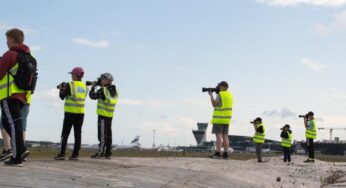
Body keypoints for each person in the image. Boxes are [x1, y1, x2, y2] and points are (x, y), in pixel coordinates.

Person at [0, 28, 31, 167]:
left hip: (9, 95)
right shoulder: (29, 56)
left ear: (12, 39)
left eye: (7, 39)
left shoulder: (10, 54)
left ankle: (17, 157)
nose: (6, 41)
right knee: (9, 122)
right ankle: (21, 148)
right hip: (23, 96)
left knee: (11, 123)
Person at [54, 67, 87, 160]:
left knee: (65, 133)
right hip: (80, 113)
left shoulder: (70, 85)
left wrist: (61, 88)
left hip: (70, 112)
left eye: (72, 74)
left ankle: (62, 154)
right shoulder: (84, 87)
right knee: (78, 134)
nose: (71, 76)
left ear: (76, 75)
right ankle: (75, 155)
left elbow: (61, 96)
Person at [89, 73, 118, 159]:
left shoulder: (103, 90)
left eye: (101, 79)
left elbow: (92, 96)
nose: (100, 81)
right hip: (110, 115)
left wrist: (93, 86)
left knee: (102, 135)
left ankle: (101, 152)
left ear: (106, 80)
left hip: (102, 116)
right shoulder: (115, 91)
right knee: (108, 135)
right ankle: (108, 153)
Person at [0, 92, 31, 162]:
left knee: (5, 122)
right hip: (26, 98)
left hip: (11, 95)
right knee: (21, 125)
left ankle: (11, 150)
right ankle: (21, 151)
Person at [208, 81, 233, 160]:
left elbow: (214, 104)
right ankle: (225, 154)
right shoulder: (230, 95)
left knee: (218, 136)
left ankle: (218, 153)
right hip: (227, 119)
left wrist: (211, 95)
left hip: (219, 119)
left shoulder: (220, 94)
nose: (218, 87)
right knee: (225, 136)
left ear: (222, 86)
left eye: (219, 86)